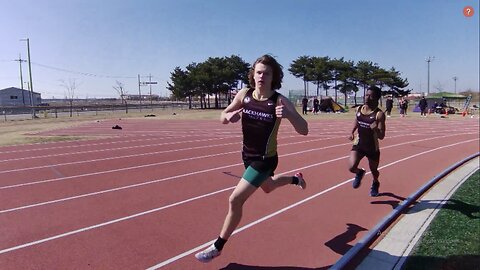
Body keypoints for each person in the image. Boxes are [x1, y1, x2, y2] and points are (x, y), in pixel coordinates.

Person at [195, 54, 309, 263]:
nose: (261, 76)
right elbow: (223, 116)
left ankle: (217, 246)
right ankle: (296, 179)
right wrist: (228, 117)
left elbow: (304, 130)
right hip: (247, 156)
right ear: (253, 74)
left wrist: (290, 115)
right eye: (258, 72)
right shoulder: (244, 94)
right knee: (269, 186)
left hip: (265, 159)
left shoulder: (279, 100)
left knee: (235, 199)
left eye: (266, 73)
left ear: (274, 76)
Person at [348, 86, 386, 197]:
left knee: (374, 170)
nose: (367, 98)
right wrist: (352, 132)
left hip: (372, 147)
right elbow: (357, 120)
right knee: (351, 167)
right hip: (359, 144)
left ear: (377, 98)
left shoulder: (379, 115)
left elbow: (382, 136)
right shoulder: (359, 109)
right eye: (366, 95)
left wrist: (375, 129)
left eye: (371, 96)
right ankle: (359, 172)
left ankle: (375, 182)